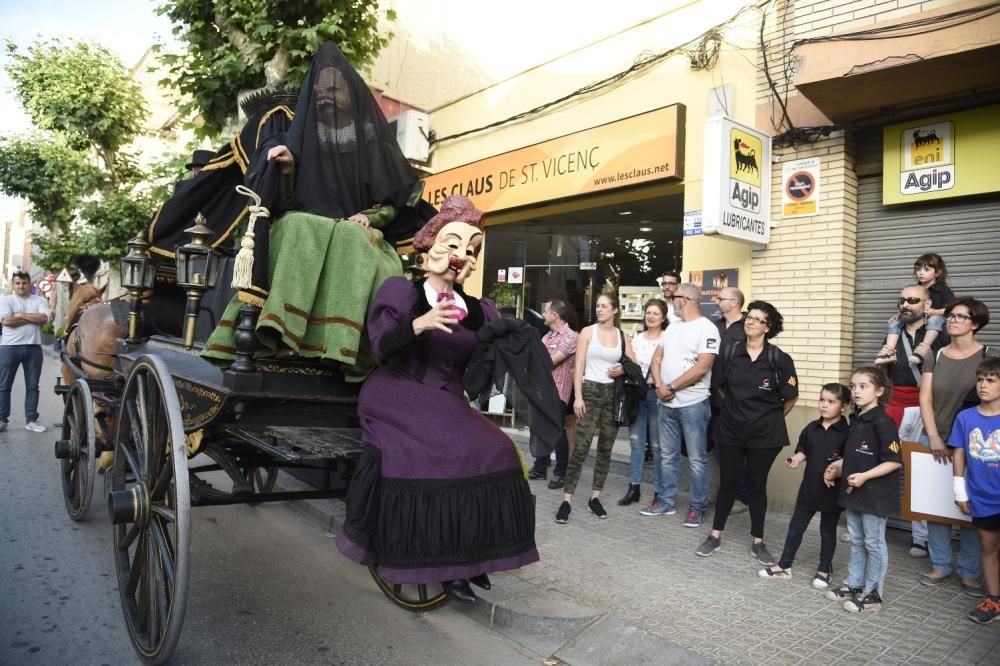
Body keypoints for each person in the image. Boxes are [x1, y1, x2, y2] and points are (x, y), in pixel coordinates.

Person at [336, 196, 538, 604]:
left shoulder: (479, 310)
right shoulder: (401, 292)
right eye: (453, 245)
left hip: (446, 398)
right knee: (448, 452)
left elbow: (477, 373)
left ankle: (473, 557)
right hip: (396, 393)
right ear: (430, 247)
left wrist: (506, 346)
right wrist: (419, 324)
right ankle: (447, 568)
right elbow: (380, 348)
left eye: (472, 249)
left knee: (498, 449)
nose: (462, 256)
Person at [203, 42, 432, 376]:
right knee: (296, 226)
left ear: (351, 93)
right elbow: (287, 201)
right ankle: (282, 334)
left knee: (353, 239)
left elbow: (392, 202)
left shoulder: (372, 140)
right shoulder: (301, 139)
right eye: (320, 88)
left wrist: (368, 217)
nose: (325, 93)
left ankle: (340, 347)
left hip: (359, 228)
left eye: (334, 87)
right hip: (306, 221)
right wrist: (286, 171)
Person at [697, 301, 798, 562]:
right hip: (730, 431)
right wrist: (736, 411)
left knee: (756, 485)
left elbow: (790, 397)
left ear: (768, 327)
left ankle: (758, 541)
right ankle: (715, 535)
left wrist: (767, 419)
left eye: (757, 319)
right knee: (728, 483)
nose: (750, 322)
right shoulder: (730, 353)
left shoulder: (779, 359)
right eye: (748, 318)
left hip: (764, 436)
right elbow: (719, 388)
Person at [917, 297, 991, 596]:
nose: (953, 321)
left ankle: (970, 572)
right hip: (935, 437)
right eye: (950, 316)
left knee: (973, 507)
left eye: (961, 317)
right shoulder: (937, 354)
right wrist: (934, 436)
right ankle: (940, 565)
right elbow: (925, 398)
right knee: (936, 507)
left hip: (975, 444)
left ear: (975, 323)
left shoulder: (988, 354)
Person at [823, 367, 902, 613]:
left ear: (879, 391)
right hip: (854, 492)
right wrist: (837, 466)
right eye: (854, 386)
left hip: (875, 495)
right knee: (857, 541)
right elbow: (857, 456)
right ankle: (854, 584)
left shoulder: (883, 421)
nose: (856, 391)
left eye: (863, 386)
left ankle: (874, 594)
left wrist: (865, 476)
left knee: (873, 543)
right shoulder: (858, 418)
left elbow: (894, 460)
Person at [758, 383, 850, 588]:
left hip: (832, 492)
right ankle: (784, 566)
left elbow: (849, 461)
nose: (824, 405)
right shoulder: (811, 428)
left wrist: (837, 470)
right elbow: (804, 450)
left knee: (827, 531)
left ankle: (824, 569)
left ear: (843, 406)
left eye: (831, 402)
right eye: (822, 400)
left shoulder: (847, 433)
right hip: (808, 488)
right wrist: (797, 459)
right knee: (795, 527)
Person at [642, 283, 719, 527]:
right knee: (667, 456)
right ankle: (666, 501)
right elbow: (657, 358)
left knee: (697, 459)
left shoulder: (707, 329)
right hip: (666, 403)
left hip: (693, 404)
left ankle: (697, 507)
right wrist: (659, 386)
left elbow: (703, 367)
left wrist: (671, 387)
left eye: (673, 298)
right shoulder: (672, 328)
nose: (670, 301)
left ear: (684, 299)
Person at [555, 292, 635, 524]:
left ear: (615, 310)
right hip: (589, 391)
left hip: (613, 394)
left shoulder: (622, 336)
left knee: (606, 449)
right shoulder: (588, 332)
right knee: (581, 447)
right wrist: (577, 397)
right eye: (597, 306)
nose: (599, 310)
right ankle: (566, 500)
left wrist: (622, 368)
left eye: (604, 306)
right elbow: (577, 367)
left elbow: (634, 364)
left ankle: (595, 497)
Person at [876, 284, 943, 558]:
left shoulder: (940, 334)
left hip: (926, 407)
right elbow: (883, 371)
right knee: (883, 465)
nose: (906, 304)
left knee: (922, 472)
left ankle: (921, 538)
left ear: (927, 305)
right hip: (894, 405)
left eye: (913, 299)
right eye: (902, 300)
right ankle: (875, 525)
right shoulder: (894, 331)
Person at [951, 357, 1000, 624]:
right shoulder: (966, 417)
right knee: (989, 547)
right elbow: (959, 453)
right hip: (981, 495)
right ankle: (994, 600)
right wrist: (960, 491)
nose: (983, 385)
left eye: (991, 381)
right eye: (981, 380)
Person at [618, 298, 668, 506]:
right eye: (648, 312)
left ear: (663, 317)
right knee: (637, 443)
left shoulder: (668, 339)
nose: (651, 316)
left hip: (657, 395)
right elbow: (629, 365)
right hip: (638, 394)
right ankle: (634, 487)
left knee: (657, 446)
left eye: (656, 313)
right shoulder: (636, 339)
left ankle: (659, 491)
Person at [529, 299, 578, 488]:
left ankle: (561, 474)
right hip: (542, 390)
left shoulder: (571, 337)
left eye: (546, 311)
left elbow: (549, 361)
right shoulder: (547, 337)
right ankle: (540, 469)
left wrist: (538, 360)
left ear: (555, 315)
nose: (544, 315)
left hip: (558, 392)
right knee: (539, 428)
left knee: (557, 432)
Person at [875, 253, 954, 366]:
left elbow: (951, 309)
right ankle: (889, 352)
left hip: (936, 320)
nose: (921, 272)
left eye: (926, 269)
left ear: (938, 272)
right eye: (918, 269)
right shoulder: (915, 288)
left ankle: (923, 348)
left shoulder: (942, 290)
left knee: (934, 320)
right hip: (920, 320)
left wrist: (934, 312)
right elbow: (906, 307)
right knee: (894, 324)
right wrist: (898, 314)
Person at [711, 287, 748, 513]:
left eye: (720, 298)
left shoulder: (747, 327)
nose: (716, 301)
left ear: (734, 303)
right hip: (713, 399)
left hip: (738, 403)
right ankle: (727, 494)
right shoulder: (714, 327)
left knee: (739, 451)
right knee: (720, 450)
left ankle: (742, 497)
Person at [0, 271, 52, 433]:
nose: (21, 286)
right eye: (17, 283)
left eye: (24, 283)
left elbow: (44, 318)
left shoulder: (40, 300)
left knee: (32, 386)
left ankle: (31, 420)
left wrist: (20, 315)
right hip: (9, 347)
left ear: (30, 284)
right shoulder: (5, 300)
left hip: (33, 347)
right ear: (12, 285)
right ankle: (2, 419)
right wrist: (31, 317)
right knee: (4, 385)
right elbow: (7, 321)